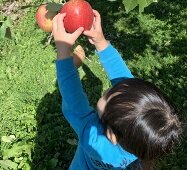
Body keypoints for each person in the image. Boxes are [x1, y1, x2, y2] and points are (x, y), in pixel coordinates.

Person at [52, 10, 183, 170]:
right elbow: (124, 81)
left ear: (111, 135)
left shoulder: (92, 138)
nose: (109, 90)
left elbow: (74, 102)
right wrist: (100, 42)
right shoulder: (141, 145)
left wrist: (63, 50)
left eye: (108, 96)